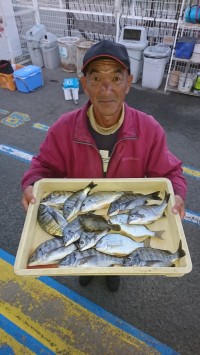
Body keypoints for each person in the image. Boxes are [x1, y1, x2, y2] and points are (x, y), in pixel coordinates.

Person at [21, 39, 187, 292]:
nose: (106, 88)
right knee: (84, 259)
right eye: (96, 79)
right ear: (84, 84)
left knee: (115, 254)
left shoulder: (149, 129)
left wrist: (177, 196)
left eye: (116, 78)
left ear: (129, 83)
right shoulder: (64, 128)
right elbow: (42, 166)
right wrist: (32, 185)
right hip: (79, 219)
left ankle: (112, 271)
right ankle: (89, 268)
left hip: (120, 223)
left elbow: (170, 172)